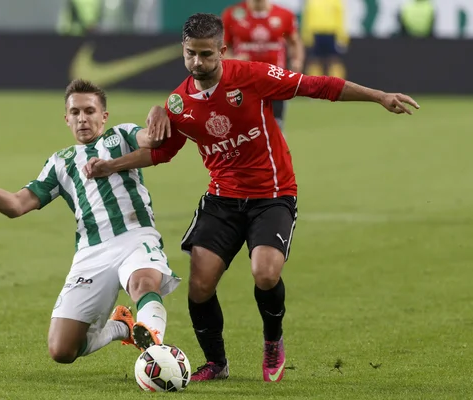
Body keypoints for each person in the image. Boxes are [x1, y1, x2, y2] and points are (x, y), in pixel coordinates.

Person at [83, 13, 419, 382]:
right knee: (200, 282)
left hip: (272, 194)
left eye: (207, 55)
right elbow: (162, 153)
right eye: (192, 54)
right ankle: (216, 363)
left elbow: (317, 85)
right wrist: (112, 164)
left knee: (265, 272)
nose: (199, 62)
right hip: (222, 198)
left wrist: (379, 96)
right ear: (183, 50)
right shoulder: (178, 103)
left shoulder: (253, 76)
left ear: (222, 51)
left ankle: (273, 340)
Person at [0, 79, 180, 365]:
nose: (83, 119)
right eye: (75, 113)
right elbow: (16, 206)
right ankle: (122, 326)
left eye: (89, 111)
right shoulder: (60, 162)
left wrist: (158, 111)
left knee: (143, 282)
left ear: (104, 116)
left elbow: (154, 140)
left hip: (135, 236)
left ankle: (156, 354)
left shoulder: (121, 136)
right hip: (91, 252)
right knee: (62, 350)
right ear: (66, 119)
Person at [222, 0, 305, 130]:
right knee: (244, 128)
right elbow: (222, 48)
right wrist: (234, 59)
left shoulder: (284, 14)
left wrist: (297, 61)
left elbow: (294, 42)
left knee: (276, 126)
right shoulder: (232, 14)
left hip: (274, 79)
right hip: (243, 80)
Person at [301, 0, 349, 79]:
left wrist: (342, 37)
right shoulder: (311, 1)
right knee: (315, 61)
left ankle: (337, 86)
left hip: (331, 32)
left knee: (334, 60)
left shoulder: (336, 1)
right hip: (315, 32)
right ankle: (314, 85)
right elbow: (306, 17)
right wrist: (306, 35)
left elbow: (340, 17)